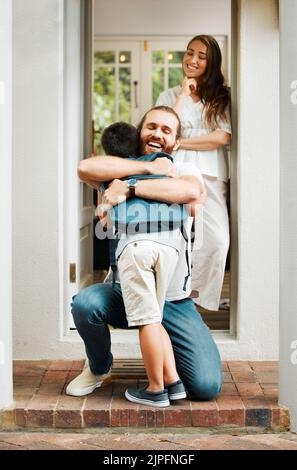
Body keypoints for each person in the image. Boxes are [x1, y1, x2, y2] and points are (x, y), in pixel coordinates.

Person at [66, 106, 222, 403]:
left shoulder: (184, 169)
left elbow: (189, 194)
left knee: (205, 386)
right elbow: (85, 168)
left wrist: (131, 188)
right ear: (140, 133)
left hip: (174, 299)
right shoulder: (123, 168)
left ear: (175, 143)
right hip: (124, 290)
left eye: (166, 130)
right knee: (85, 305)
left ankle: (169, 362)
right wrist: (146, 170)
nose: (157, 134)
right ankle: (99, 367)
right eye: (151, 127)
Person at [98, 120, 189, 407]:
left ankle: (155, 389)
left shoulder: (115, 174)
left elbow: (106, 221)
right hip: (168, 247)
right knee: (155, 317)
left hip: (136, 247)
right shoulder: (164, 163)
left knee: (146, 320)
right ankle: (173, 382)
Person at [156, 35, 232, 311]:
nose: (193, 60)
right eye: (189, 53)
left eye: (201, 56)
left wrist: (183, 142)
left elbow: (221, 137)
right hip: (176, 175)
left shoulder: (222, 96)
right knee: (176, 239)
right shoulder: (169, 95)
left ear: (210, 63)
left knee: (217, 241)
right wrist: (183, 95)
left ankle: (201, 299)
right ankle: (176, 297)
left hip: (210, 176)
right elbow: (167, 127)